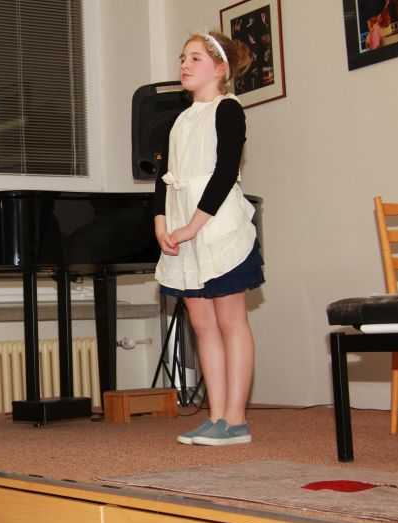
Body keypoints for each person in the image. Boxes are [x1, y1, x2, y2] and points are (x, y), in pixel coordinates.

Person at [153, 31, 263, 446]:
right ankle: (216, 415)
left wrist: (193, 226)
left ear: (220, 69)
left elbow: (224, 173)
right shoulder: (177, 121)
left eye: (195, 58)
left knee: (230, 321)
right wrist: (161, 223)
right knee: (202, 323)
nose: (184, 64)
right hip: (183, 228)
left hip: (216, 227)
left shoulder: (228, 109)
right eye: (183, 57)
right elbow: (162, 179)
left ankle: (236, 419)